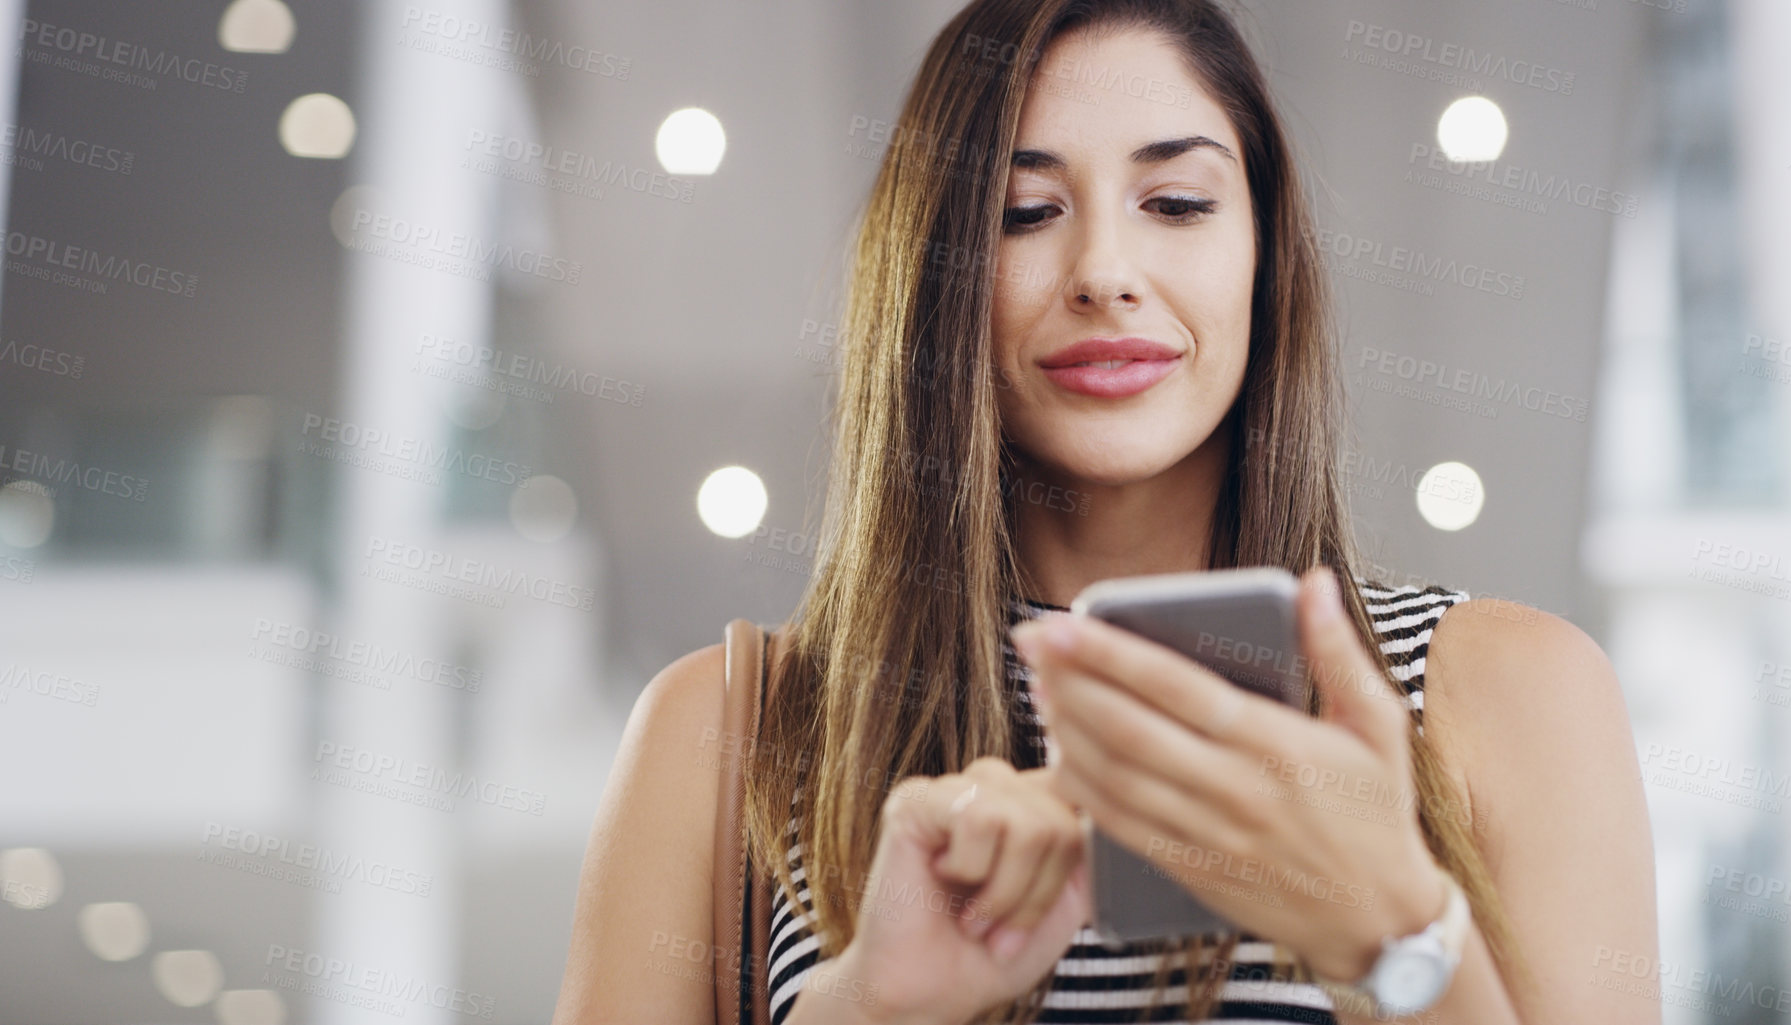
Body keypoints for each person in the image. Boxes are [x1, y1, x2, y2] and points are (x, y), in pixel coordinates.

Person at [552, 1, 1658, 1022]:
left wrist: (1402, 938)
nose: (1103, 271)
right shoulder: (725, 734)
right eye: (1023, 212)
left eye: (1175, 203)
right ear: (933, 274)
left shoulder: (1504, 689)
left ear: (1263, 254)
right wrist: (872, 1006)